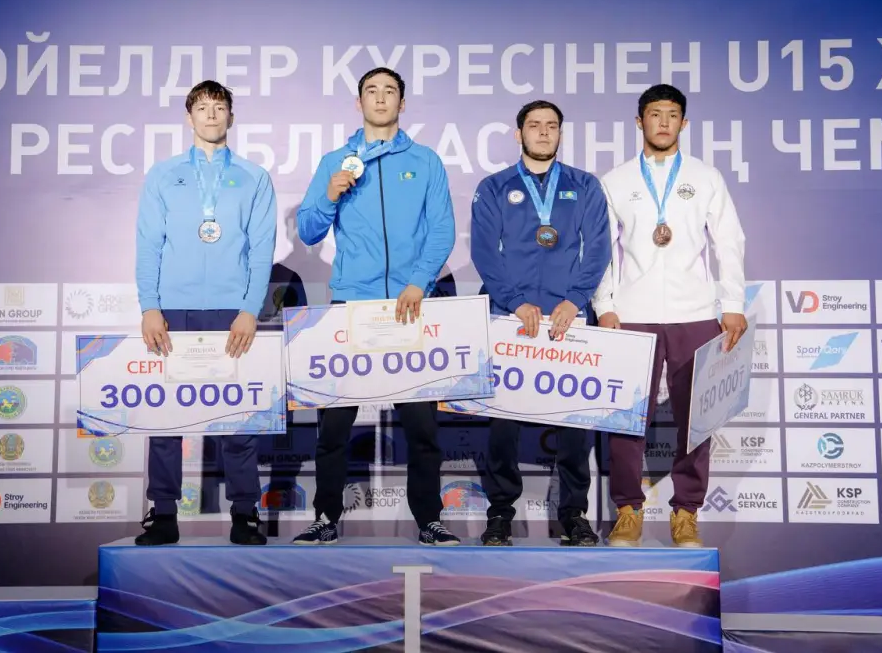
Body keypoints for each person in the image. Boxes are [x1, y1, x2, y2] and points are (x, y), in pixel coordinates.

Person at [292, 67, 460, 546]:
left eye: (390, 92)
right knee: (334, 424)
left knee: (422, 427)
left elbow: (442, 229)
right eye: (372, 91)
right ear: (358, 102)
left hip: (411, 306)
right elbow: (308, 231)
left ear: (402, 103)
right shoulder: (336, 161)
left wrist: (418, 283)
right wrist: (329, 196)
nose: (381, 98)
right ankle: (326, 517)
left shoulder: (425, 161)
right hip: (353, 305)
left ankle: (429, 519)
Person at [593, 83, 747, 548]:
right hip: (632, 314)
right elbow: (601, 250)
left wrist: (733, 304)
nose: (663, 122)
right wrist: (605, 305)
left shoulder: (705, 177)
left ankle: (686, 514)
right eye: (655, 114)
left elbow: (729, 241)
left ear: (684, 122)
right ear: (639, 121)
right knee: (626, 418)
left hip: (694, 312)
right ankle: (627, 511)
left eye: (672, 114)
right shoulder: (616, 180)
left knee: (697, 419)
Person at [133, 80, 277, 546]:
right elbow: (148, 244)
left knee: (238, 417)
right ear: (188, 117)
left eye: (219, 107)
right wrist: (150, 306)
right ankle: (164, 513)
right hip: (174, 309)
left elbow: (262, 248)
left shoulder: (254, 176)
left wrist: (250, 309)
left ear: (231, 117)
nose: (211, 115)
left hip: (231, 310)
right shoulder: (163, 175)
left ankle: (244, 513)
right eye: (202, 107)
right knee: (166, 418)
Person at [470, 100, 611, 547]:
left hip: (568, 320)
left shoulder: (584, 185)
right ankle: (500, 514)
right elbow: (484, 252)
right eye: (534, 125)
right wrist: (514, 302)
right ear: (519, 134)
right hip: (510, 319)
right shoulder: (494, 187)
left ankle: (573, 515)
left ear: (561, 133)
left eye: (552, 126)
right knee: (503, 426)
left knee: (574, 428)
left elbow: (599, 248)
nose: (544, 132)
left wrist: (575, 300)